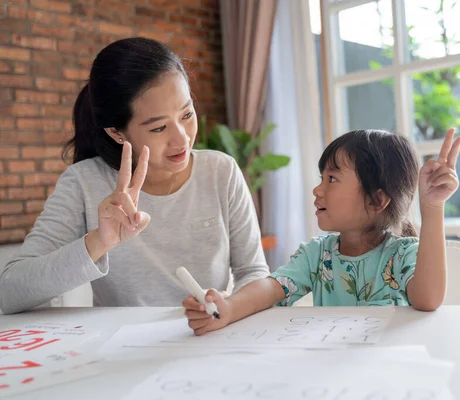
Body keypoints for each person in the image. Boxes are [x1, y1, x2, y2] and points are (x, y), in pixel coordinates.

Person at [0, 37, 269, 314]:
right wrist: (98, 242)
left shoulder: (220, 172)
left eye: (187, 114)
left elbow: (254, 272)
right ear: (116, 132)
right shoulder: (84, 182)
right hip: (119, 350)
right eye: (158, 128)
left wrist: (228, 307)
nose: (182, 139)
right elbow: (9, 293)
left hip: (210, 339)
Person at [183, 128, 460, 335]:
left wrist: (433, 207)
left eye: (332, 179)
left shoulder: (401, 254)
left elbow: (428, 300)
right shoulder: (318, 255)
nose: (317, 190)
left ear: (376, 200)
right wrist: (228, 308)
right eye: (321, 178)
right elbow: (271, 288)